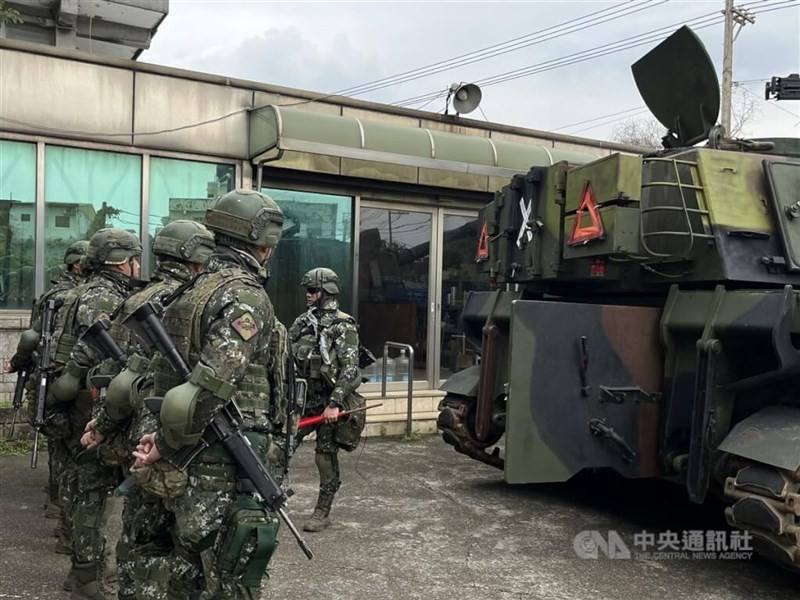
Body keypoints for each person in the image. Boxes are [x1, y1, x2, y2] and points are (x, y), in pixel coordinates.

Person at [132, 189, 285, 599]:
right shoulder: (244, 295)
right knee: (233, 572)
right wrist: (164, 443)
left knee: (188, 569)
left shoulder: (191, 290)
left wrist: (158, 438)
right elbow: (214, 384)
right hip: (223, 458)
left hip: (190, 452)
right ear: (263, 242)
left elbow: (160, 378)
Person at [80, 220, 216, 600]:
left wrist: (104, 424)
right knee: (188, 545)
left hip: (137, 435)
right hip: (188, 442)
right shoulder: (204, 302)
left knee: (141, 536)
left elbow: (117, 376)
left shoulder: (134, 302)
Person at [46, 228, 142, 599]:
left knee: (84, 489)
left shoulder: (77, 293)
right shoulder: (104, 297)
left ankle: (83, 573)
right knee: (93, 491)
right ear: (124, 261)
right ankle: (88, 575)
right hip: (93, 403)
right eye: (135, 259)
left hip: (79, 401)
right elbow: (100, 354)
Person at [7, 240, 89, 554]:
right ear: (79, 264)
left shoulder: (53, 296)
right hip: (68, 379)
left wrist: (19, 364)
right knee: (72, 450)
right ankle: (65, 510)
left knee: (59, 446)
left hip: (50, 378)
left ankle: (57, 499)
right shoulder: (82, 296)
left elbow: (31, 336)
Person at [288, 267, 367, 532]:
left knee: (324, 455)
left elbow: (350, 368)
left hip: (329, 400)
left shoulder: (343, 326)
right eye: (307, 291)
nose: (308, 295)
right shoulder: (302, 322)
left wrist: (334, 404)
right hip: (301, 399)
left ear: (327, 292)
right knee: (280, 447)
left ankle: (323, 510)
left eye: (313, 291)